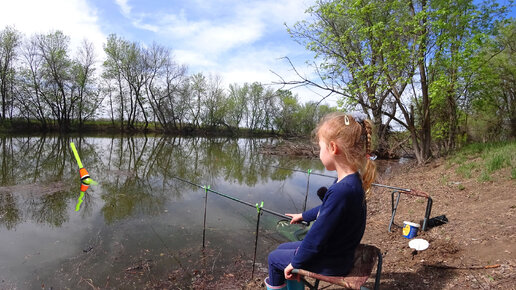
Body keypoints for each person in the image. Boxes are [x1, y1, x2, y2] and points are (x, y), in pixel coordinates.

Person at [265, 112, 377, 289]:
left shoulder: (342, 190)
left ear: (333, 148)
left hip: (331, 261)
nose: (319, 154)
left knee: (273, 258)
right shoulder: (352, 180)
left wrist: (296, 263)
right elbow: (328, 210)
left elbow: (317, 236)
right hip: (339, 253)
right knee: (283, 248)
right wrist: (303, 215)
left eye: (320, 148)